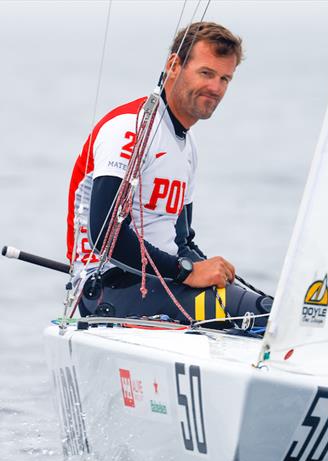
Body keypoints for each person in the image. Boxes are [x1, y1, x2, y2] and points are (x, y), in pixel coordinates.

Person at [65, 22, 272, 325]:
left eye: (225, 78)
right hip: (108, 287)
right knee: (259, 315)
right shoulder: (130, 128)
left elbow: (181, 240)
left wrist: (208, 269)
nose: (216, 87)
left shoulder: (188, 147)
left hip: (162, 282)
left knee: (267, 309)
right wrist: (187, 271)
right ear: (174, 65)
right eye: (206, 73)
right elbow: (105, 236)